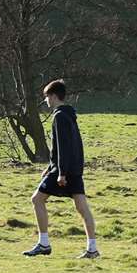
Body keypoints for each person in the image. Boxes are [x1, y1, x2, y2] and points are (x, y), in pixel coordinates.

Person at [25, 80, 99, 258]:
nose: (45, 101)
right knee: (82, 208)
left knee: (37, 200)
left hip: (64, 170)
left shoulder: (59, 116)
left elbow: (63, 146)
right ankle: (93, 249)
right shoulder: (69, 114)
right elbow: (69, 146)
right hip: (73, 169)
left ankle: (44, 244)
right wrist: (50, 167)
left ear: (53, 96)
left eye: (46, 97)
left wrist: (60, 172)